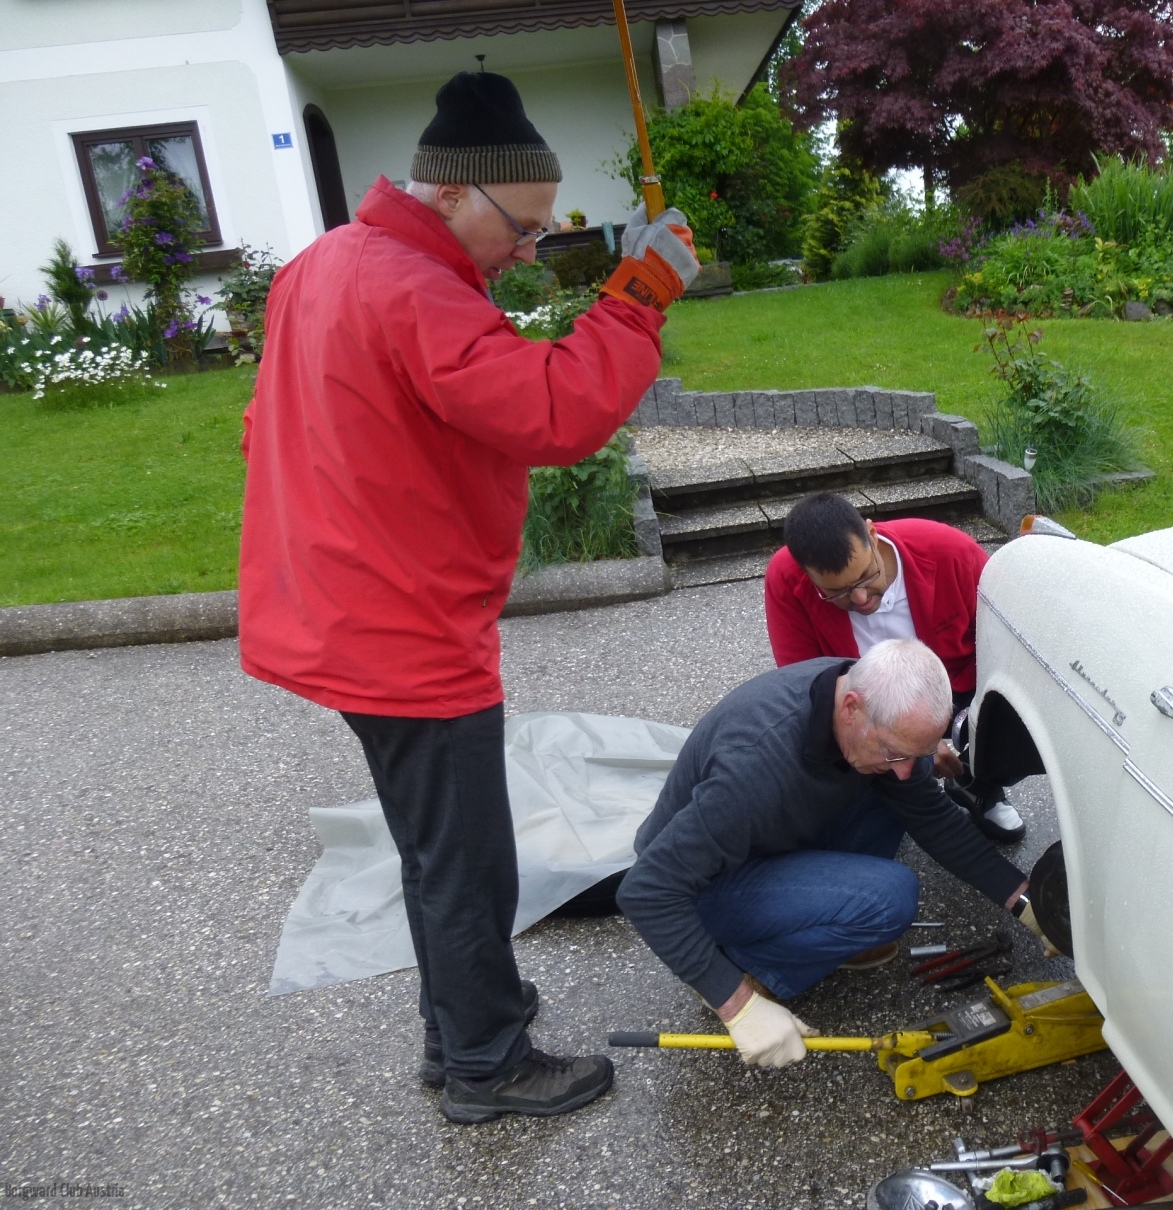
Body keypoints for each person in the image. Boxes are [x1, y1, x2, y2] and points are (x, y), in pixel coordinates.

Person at [237, 70, 700, 1124]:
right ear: (451, 191)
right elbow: (554, 409)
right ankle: (488, 1066)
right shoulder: (414, 288)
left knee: (433, 848)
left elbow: (271, 425)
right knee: (468, 863)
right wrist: (637, 297)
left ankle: (457, 1033)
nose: (529, 250)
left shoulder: (322, 265)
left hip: (340, 604)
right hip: (401, 626)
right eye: (522, 227)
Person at [616, 639, 1051, 1068]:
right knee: (889, 898)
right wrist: (736, 1004)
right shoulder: (753, 769)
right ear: (851, 708)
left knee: (895, 795)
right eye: (895, 753)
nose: (905, 769)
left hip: (765, 838)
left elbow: (932, 816)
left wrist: (1027, 903)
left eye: (915, 754)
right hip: (701, 886)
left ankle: (818, 917)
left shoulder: (870, 700)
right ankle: (741, 964)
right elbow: (647, 890)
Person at [763, 494, 1026, 843]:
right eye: (837, 592)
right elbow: (806, 681)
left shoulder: (950, 551)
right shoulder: (785, 578)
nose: (860, 599)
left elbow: (1011, 644)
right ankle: (879, 793)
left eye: (866, 576)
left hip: (958, 686)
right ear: (807, 574)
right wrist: (914, 749)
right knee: (814, 737)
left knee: (1018, 713)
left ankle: (979, 783)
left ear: (872, 535)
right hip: (867, 700)